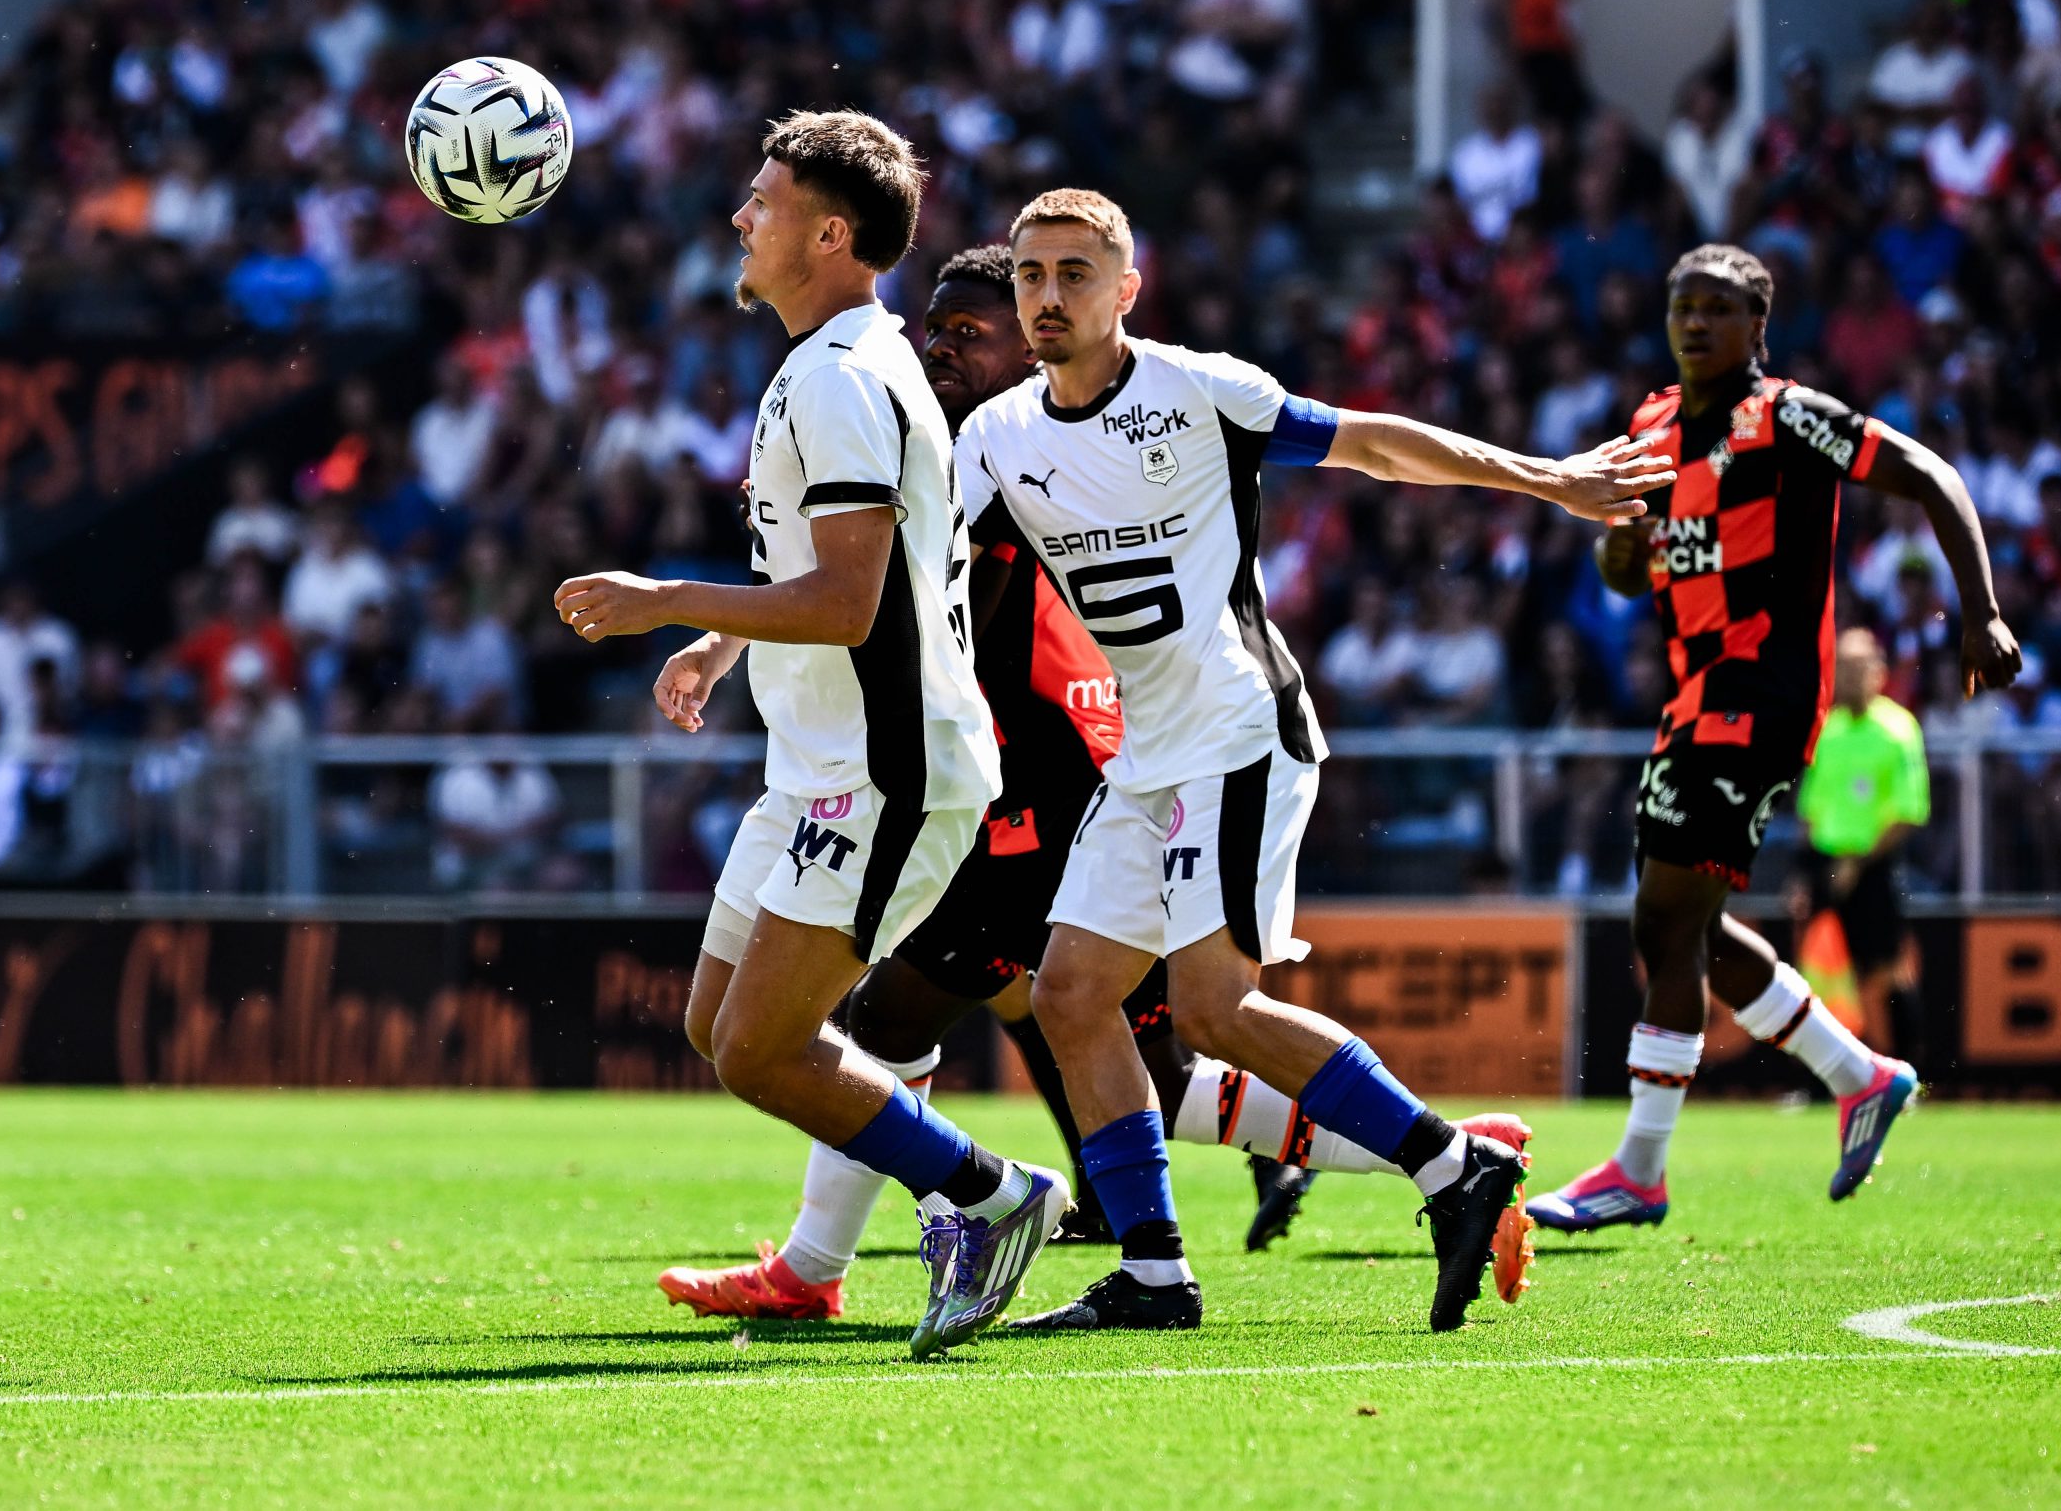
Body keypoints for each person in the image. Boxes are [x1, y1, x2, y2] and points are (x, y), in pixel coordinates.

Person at [657, 249, 1538, 1326]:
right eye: (937, 329)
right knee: (1118, 1048)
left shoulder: (1024, 453)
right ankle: (1431, 1155)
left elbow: (885, 586)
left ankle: (827, 1263)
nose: (943, 348)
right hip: (1043, 787)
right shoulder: (956, 455)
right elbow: (850, 568)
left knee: (935, 1017)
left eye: (968, 332)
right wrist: (719, 643)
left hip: (1043, 789)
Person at [956, 188, 1671, 1334]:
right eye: (1031, 275)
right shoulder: (994, 437)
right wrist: (725, 633)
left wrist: (1548, 479)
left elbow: (1377, 444)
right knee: (1072, 996)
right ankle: (1152, 1271)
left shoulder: (1201, 390)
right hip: (1145, 753)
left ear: (1126, 288)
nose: (1046, 296)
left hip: (1240, 737)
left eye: (1074, 273)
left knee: (1215, 1011)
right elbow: (897, 562)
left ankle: (1450, 1163)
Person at [550, 113, 1057, 1361]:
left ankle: (990, 1197)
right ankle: (850, 1248)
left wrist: (666, 598)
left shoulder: (840, 376)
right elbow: (838, 572)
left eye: (763, 198)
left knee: (760, 1048)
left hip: (888, 772)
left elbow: (846, 601)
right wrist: (727, 644)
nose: (739, 216)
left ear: (830, 232)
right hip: (818, 762)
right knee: (719, 1026)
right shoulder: (832, 361)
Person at [1527, 244, 2019, 1234]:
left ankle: (1640, 1168)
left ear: (1759, 327)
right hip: (1692, 693)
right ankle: (1861, 1075)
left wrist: (1981, 613)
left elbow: (1928, 473)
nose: (1695, 324)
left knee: (1663, 925)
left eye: (1718, 309)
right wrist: (1619, 549)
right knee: (1688, 930)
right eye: (1682, 307)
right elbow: (1633, 566)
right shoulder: (1651, 423)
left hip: (1765, 693)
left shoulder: (1790, 418)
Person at [1790, 629, 1931, 1061]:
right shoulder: (1826, 730)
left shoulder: (1897, 729)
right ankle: (1819, 1081)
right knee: (1814, 977)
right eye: (1841, 667)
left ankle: (1910, 1072)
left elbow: (1908, 811)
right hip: (1824, 864)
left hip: (1874, 867)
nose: (1848, 677)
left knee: (1886, 971)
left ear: (1879, 672)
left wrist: (1857, 861)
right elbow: (1810, 811)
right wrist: (1801, 874)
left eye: (1857, 666)